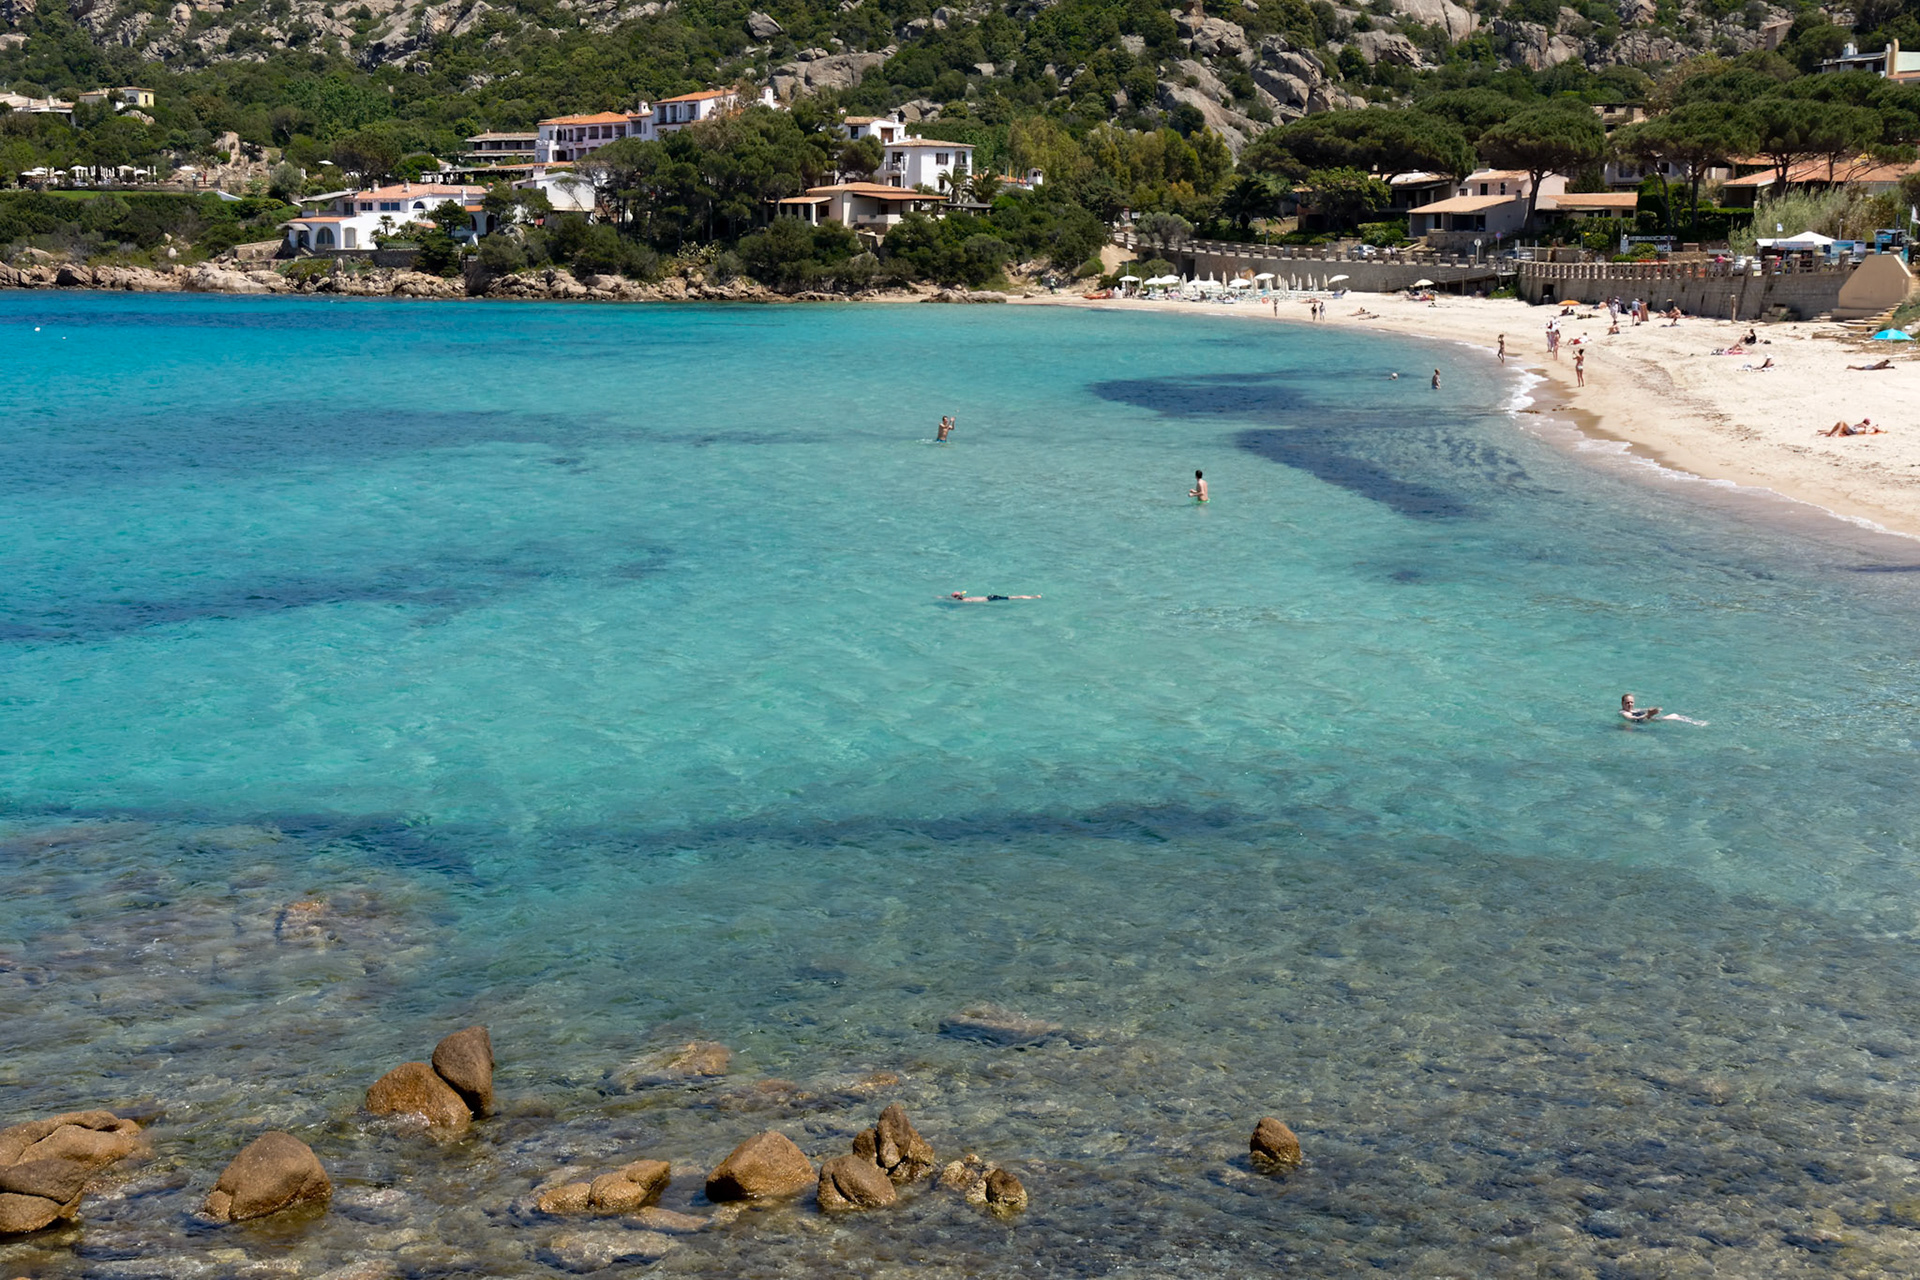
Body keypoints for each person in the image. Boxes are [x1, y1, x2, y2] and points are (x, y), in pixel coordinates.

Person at [949, 591, 1041, 602]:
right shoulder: (966, 598)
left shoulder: (965, 601)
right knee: (1012, 597)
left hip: (991, 599)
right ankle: (1033, 596)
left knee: (1013, 597)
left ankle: (1034, 597)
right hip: (990, 597)